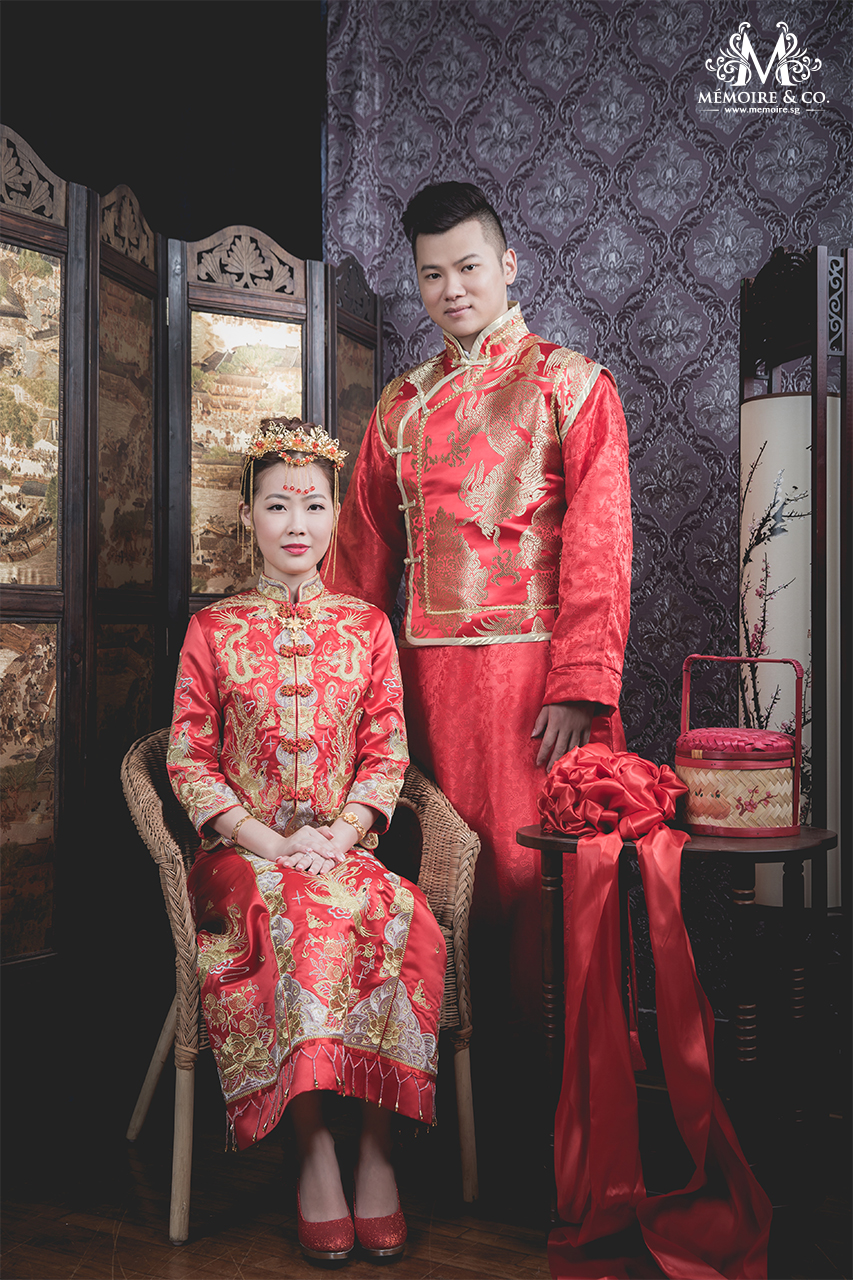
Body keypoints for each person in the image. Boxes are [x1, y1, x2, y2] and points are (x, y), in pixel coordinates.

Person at [325, 181, 632, 1033]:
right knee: (433, 871)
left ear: (507, 264)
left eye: (467, 267)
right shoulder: (400, 405)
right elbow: (357, 561)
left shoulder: (571, 383)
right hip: (422, 691)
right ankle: (442, 1071)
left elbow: (601, 545)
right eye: (431, 275)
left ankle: (552, 1075)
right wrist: (343, 695)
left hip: (537, 688)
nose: (451, 289)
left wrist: (578, 685)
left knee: (535, 879)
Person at [168, 418, 446, 1264]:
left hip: (343, 848)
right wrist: (265, 840)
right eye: (277, 505)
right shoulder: (214, 629)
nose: (297, 524)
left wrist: (345, 831)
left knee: (397, 911)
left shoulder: (366, 627)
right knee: (296, 914)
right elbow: (187, 757)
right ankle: (315, 1142)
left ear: (334, 518)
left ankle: (377, 1145)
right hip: (240, 859)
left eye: (314, 506)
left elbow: (387, 752)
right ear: (246, 515)